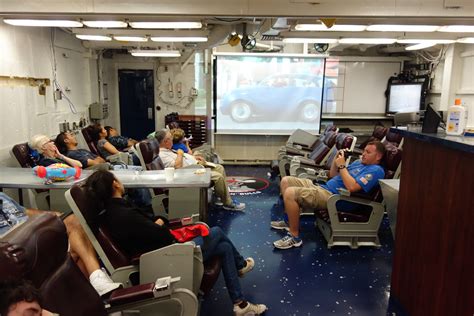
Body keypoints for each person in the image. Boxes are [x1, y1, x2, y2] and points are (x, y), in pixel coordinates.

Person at [84, 170, 267, 316]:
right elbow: (160, 234)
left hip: (161, 250)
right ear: (115, 184)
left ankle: (240, 303)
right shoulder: (124, 215)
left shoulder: (115, 211)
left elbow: (153, 223)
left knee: (224, 247)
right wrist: (160, 223)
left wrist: (159, 222)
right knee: (217, 232)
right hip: (166, 256)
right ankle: (240, 266)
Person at [0, 192, 121, 296]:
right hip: (19, 254)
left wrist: (55, 216)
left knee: (74, 221)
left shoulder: (2, 196)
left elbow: (26, 212)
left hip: (38, 240)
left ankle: (96, 282)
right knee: (76, 249)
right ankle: (97, 292)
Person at [271, 141, 386, 250]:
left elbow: (352, 187)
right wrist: (337, 162)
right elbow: (332, 175)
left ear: (379, 156)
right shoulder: (358, 163)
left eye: (368, 152)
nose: (363, 154)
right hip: (324, 188)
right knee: (286, 181)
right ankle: (289, 222)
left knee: (291, 193)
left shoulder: (376, 171)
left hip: (337, 198)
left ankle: (294, 237)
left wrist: (342, 166)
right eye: (364, 151)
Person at [155, 129, 245, 211]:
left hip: (192, 168)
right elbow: (178, 167)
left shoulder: (168, 150)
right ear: (165, 141)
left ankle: (220, 196)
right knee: (218, 177)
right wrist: (180, 153)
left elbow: (183, 158)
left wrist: (193, 158)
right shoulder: (162, 154)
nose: (172, 140)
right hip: (188, 174)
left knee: (219, 168)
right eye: (170, 139)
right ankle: (228, 203)